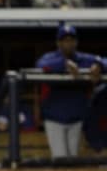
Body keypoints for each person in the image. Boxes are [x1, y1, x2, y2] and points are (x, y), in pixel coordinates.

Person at [36, 24, 104, 158]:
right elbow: (41, 65)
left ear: (76, 42)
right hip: (54, 119)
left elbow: (104, 61)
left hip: (76, 119)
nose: (68, 43)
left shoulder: (84, 59)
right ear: (58, 42)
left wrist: (99, 65)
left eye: (71, 40)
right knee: (60, 159)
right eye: (64, 40)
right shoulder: (50, 58)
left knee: (73, 160)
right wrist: (64, 64)